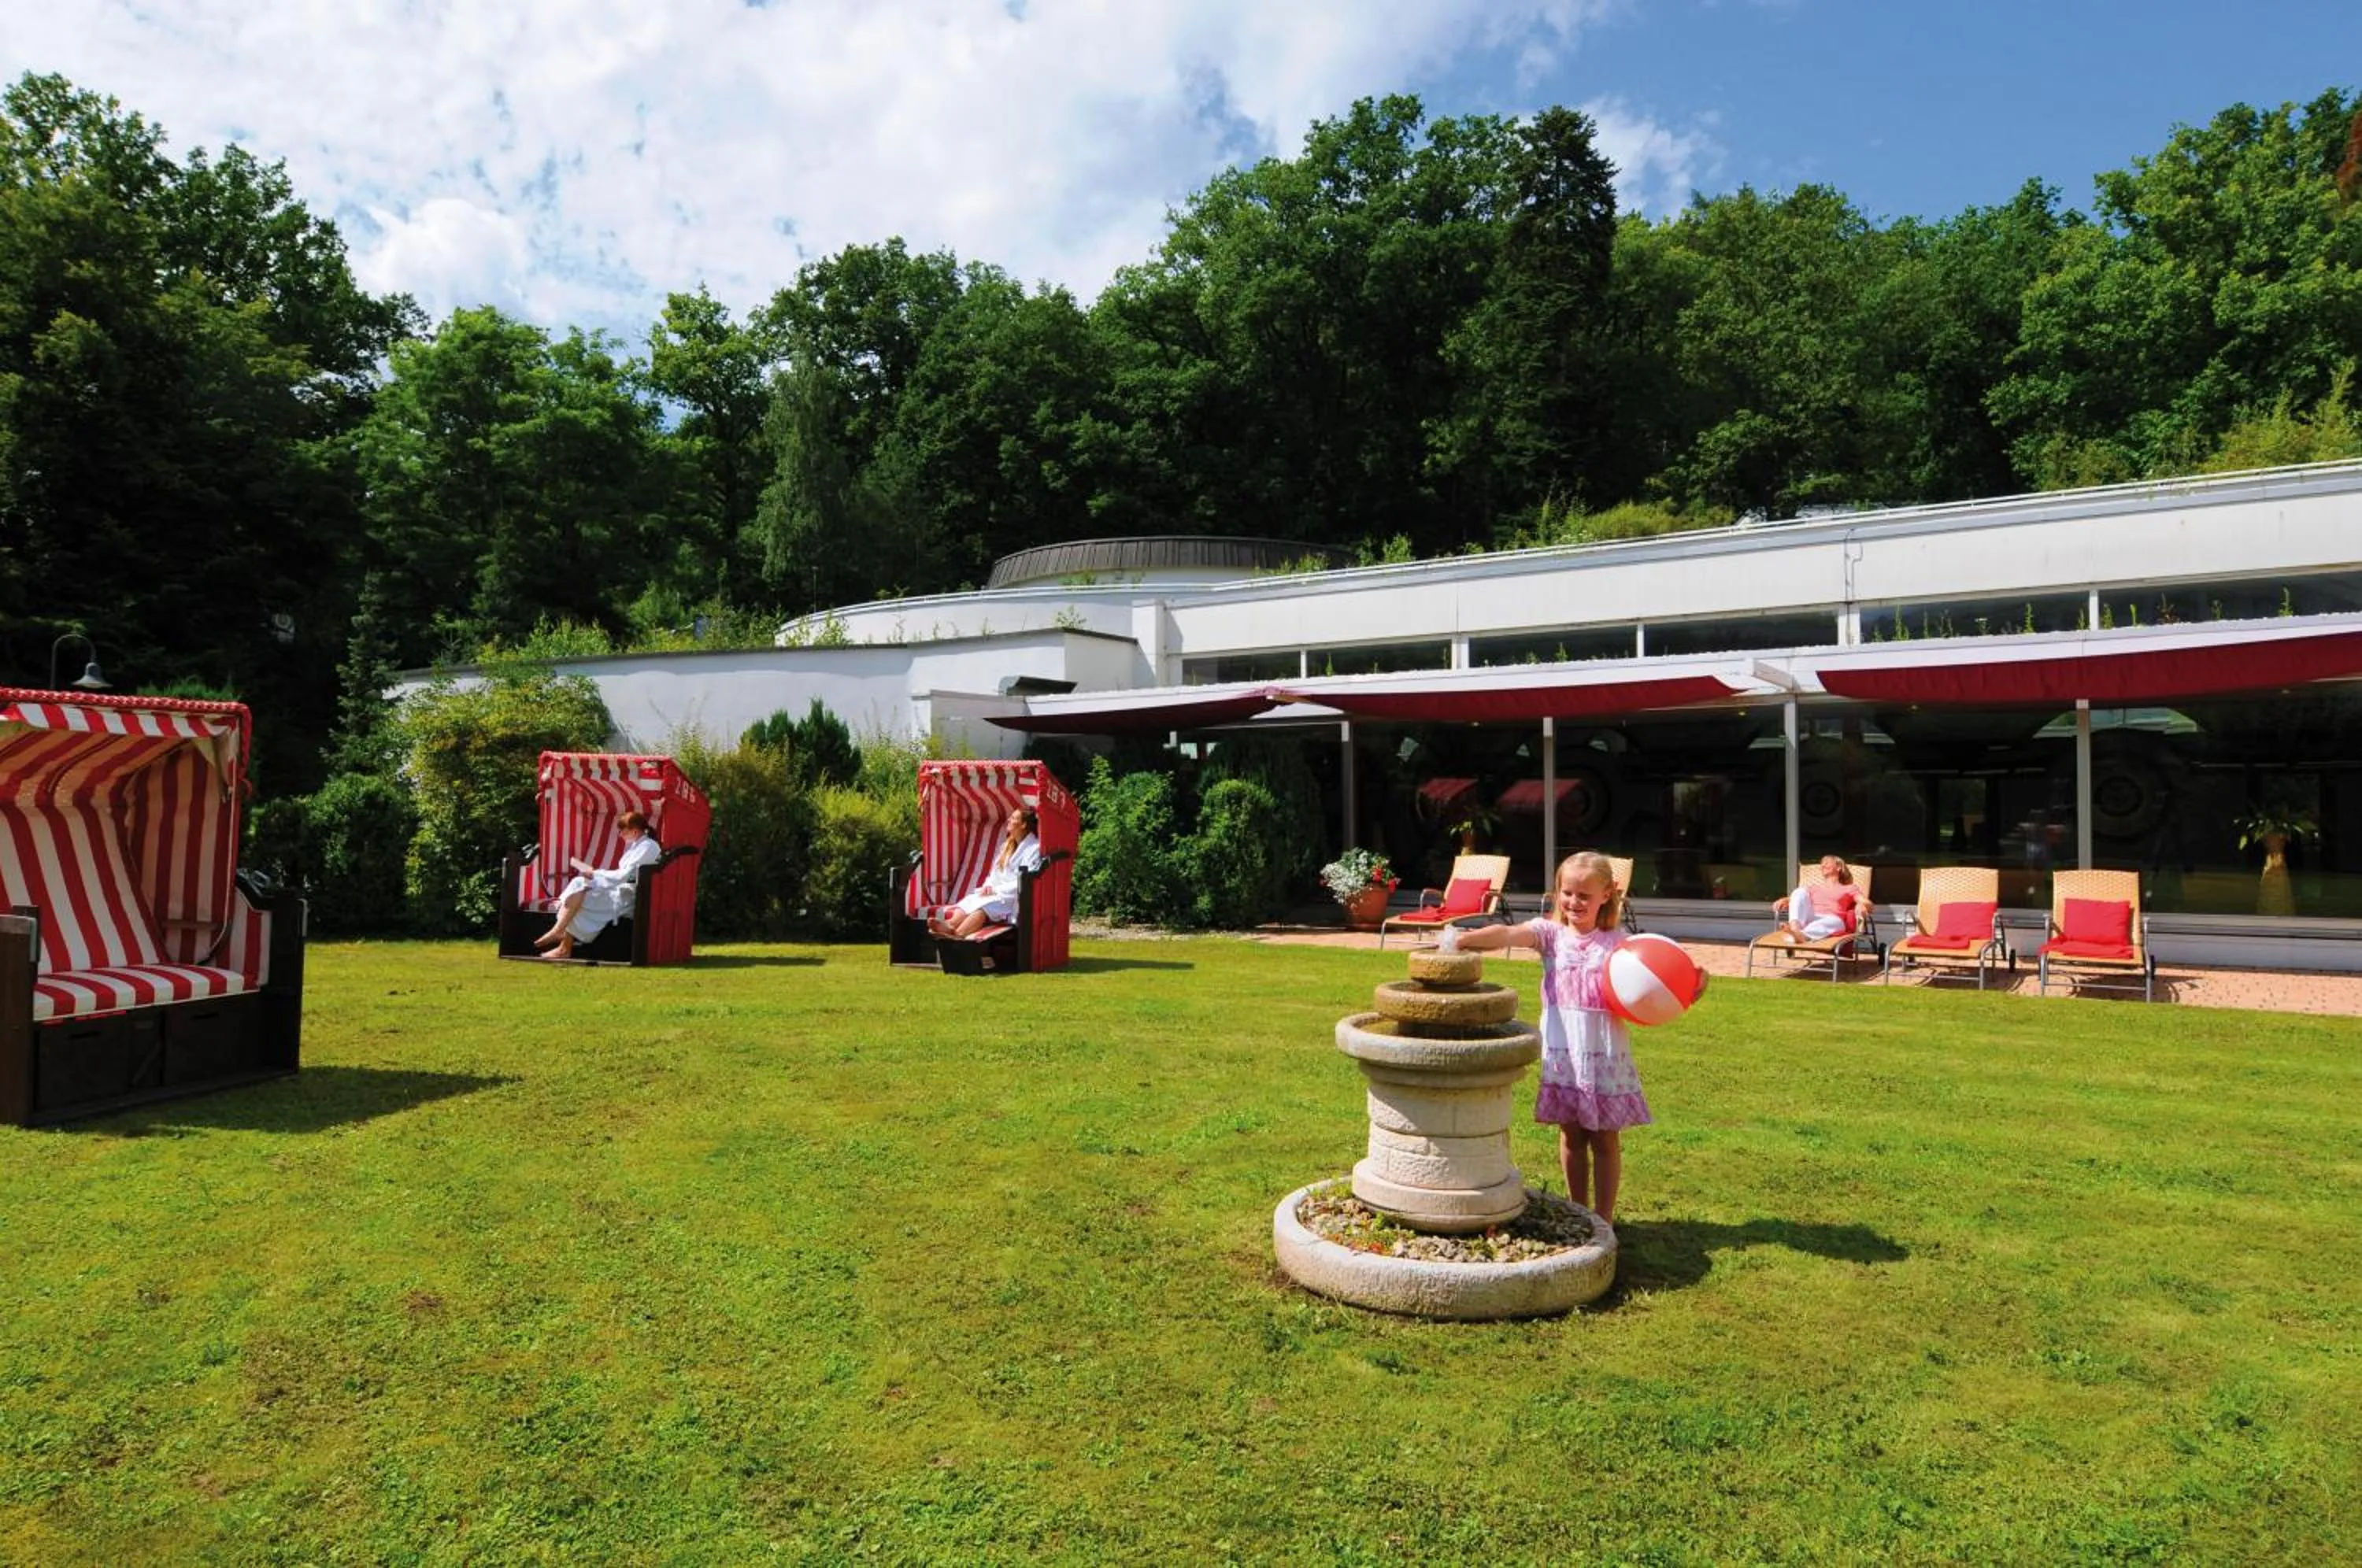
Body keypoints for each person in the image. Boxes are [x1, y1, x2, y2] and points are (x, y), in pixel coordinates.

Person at [1456, 849, 1668, 1225]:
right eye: (1566, 893)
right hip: (1564, 1052)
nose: (1573, 902)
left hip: (1603, 1052)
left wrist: (1690, 987)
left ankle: (1603, 1218)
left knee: (1604, 1138)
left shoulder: (1620, 944)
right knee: (1572, 1134)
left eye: (1584, 895)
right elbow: (1508, 932)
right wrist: (1467, 940)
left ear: (1608, 894)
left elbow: (1656, 983)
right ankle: (1577, 1210)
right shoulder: (1550, 936)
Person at [536, 809, 661, 961]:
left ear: (634, 831)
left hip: (629, 896)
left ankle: (561, 939)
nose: (620, 834)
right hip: (621, 889)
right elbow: (623, 875)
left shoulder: (648, 847)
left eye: (623, 831)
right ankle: (560, 937)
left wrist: (596, 873)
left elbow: (624, 876)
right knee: (579, 885)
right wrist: (594, 875)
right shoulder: (638, 845)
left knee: (580, 897)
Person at [928, 807, 1041, 941]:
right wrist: (988, 886)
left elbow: (1024, 880)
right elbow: (995, 873)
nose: (1008, 820)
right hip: (997, 893)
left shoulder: (1034, 848)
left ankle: (958, 935)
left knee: (984, 908)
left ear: (1023, 825)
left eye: (1013, 818)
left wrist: (995, 889)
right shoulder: (1007, 846)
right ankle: (950, 925)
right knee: (972, 899)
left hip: (1014, 897)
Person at [1773, 855, 1866, 942]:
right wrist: (1785, 899)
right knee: (1800, 891)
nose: (1823, 865)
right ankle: (1795, 929)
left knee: (1836, 921)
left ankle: (1800, 936)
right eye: (1822, 863)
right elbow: (1798, 898)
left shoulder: (1849, 888)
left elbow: (1866, 902)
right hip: (1811, 917)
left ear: (1839, 868)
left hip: (1832, 919)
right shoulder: (1814, 888)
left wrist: (1862, 905)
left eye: (1827, 862)